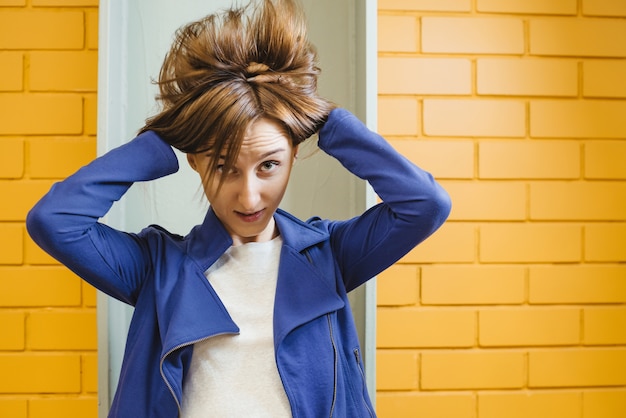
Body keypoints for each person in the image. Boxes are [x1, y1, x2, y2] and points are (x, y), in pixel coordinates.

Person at [26, 0, 451, 416]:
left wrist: (326, 120)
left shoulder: (330, 255)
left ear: (294, 153)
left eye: (269, 166)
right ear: (194, 160)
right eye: (224, 167)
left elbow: (424, 204)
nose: (249, 198)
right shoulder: (158, 267)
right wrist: (161, 142)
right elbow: (55, 220)